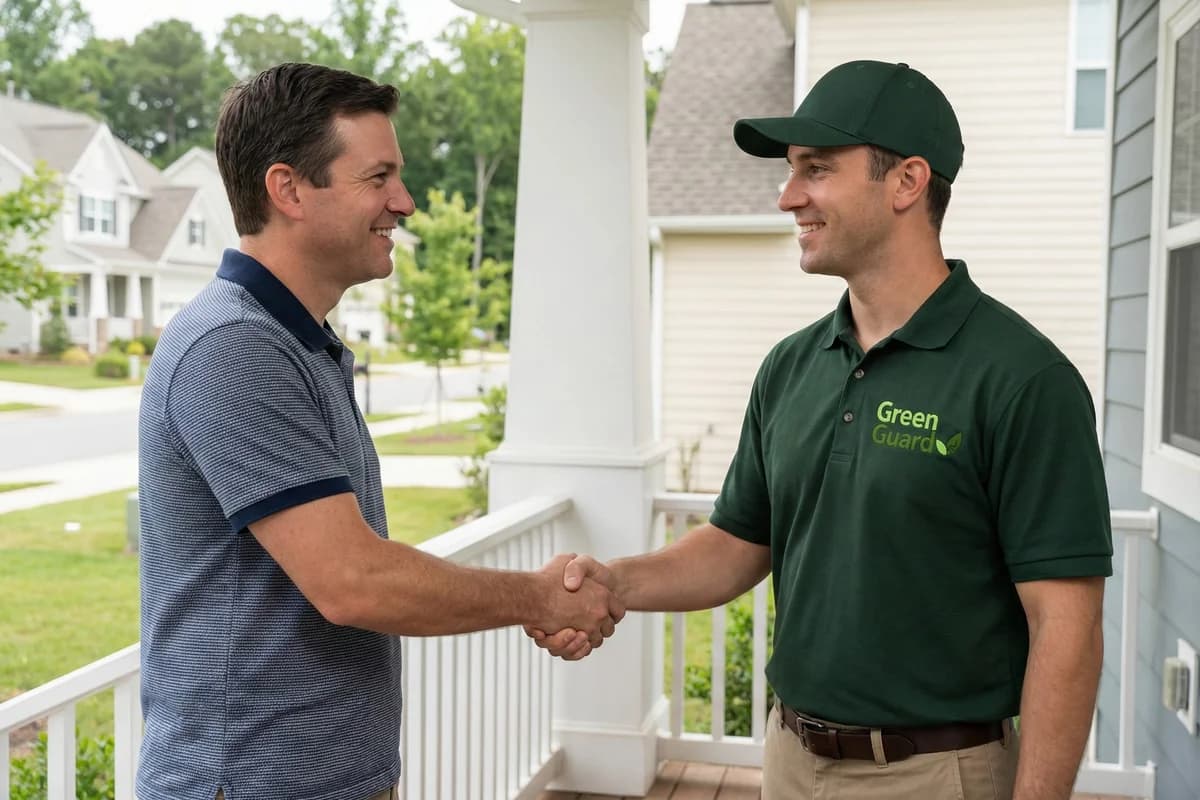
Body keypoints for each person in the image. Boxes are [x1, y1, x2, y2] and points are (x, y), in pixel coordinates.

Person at [531, 60, 1112, 800]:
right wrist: (617, 584)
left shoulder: (1022, 379)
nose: (787, 196)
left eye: (816, 170)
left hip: (937, 776)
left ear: (906, 182)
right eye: (790, 171)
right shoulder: (791, 366)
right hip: (790, 760)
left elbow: (1067, 627)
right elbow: (738, 546)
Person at [136, 62, 623, 800]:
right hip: (250, 784)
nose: (406, 201)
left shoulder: (299, 343)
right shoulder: (232, 347)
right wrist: (539, 598)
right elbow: (351, 580)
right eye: (379, 177)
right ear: (288, 189)